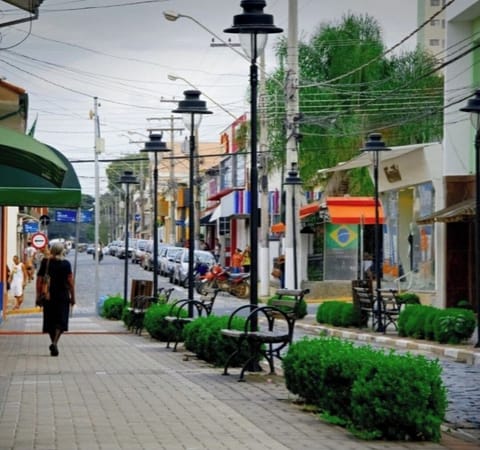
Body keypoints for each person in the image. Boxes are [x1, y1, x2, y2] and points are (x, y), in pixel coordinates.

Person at [36, 242, 75, 357]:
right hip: (63, 296)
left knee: (50, 320)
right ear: (62, 251)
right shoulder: (66, 264)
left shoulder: (45, 262)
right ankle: (55, 343)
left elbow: (39, 280)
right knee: (61, 321)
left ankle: (53, 343)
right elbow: (70, 282)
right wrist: (73, 297)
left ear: (52, 250)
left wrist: (38, 296)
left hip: (48, 296)